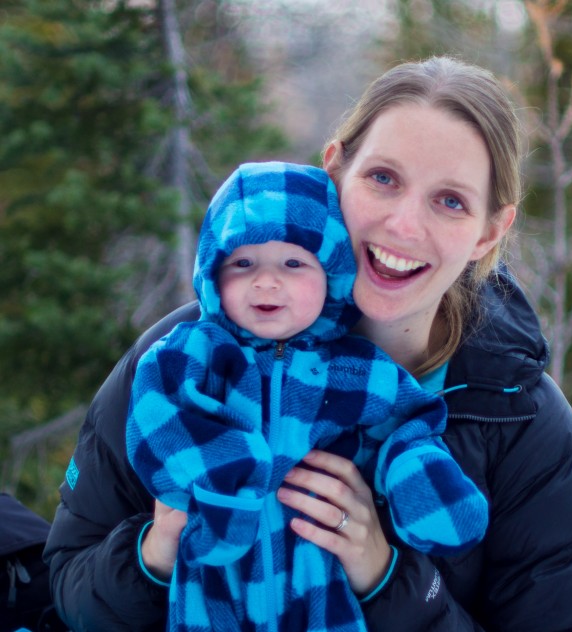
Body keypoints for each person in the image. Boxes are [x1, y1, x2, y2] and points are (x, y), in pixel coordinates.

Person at [44, 55, 572, 631]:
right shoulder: (185, 360)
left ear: (490, 231)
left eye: (451, 201)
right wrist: (155, 553)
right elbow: (65, 587)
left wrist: (388, 578)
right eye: (383, 178)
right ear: (334, 170)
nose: (404, 226)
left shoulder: (522, 422)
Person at [126, 160, 488, 631]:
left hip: (315, 580)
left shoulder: (352, 369)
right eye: (243, 263)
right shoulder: (191, 353)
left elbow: (410, 419)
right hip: (214, 579)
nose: (267, 280)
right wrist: (225, 478)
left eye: (294, 263)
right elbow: (156, 422)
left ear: (332, 275)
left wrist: (414, 478)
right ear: (213, 275)